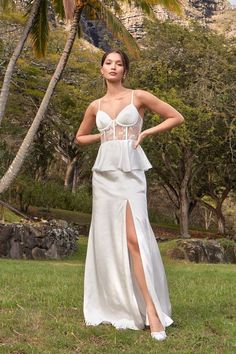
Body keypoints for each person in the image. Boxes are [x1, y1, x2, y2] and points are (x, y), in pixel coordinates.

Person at [76, 49, 184, 341]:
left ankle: (152, 310)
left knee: (135, 238)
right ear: (101, 70)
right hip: (104, 177)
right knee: (110, 240)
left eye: (119, 63)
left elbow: (176, 117)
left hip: (131, 175)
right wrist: (104, 136)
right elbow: (80, 137)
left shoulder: (138, 97)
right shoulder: (94, 105)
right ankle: (116, 303)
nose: (113, 67)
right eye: (108, 63)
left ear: (125, 70)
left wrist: (146, 133)